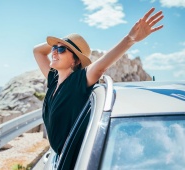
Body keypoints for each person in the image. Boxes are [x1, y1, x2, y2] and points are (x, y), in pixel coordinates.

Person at [33, 7, 164, 167]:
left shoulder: (79, 80)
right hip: (60, 158)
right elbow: (38, 51)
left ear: (75, 61)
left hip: (74, 161)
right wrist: (60, 43)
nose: (54, 52)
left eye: (61, 50)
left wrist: (130, 39)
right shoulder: (53, 79)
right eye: (54, 48)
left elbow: (100, 67)